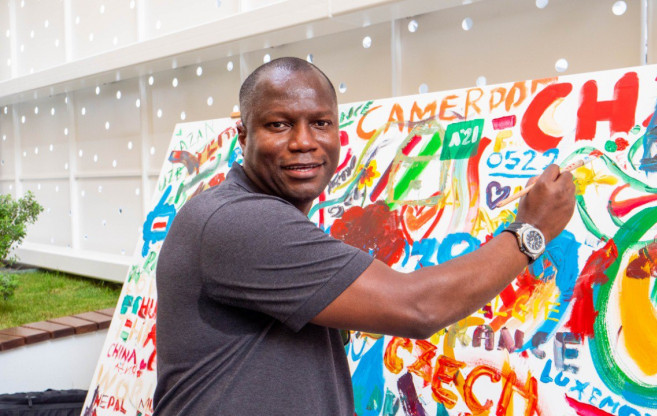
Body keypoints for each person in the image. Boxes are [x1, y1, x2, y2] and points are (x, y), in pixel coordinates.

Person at [153, 57, 575, 415]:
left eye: (320, 123)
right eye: (279, 125)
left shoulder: (254, 215)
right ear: (244, 136)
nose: (303, 142)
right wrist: (530, 231)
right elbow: (418, 307)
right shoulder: (242, 221)